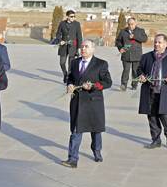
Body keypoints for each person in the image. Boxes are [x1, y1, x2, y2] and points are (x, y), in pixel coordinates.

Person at [61, 40, 112, 168]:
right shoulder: (74, 62)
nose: (83, 49)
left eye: (86, 47)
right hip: (78, 102)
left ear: (93, 49)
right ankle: (72, 159)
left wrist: (94, 86)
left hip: (93, 102)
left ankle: (96, 151)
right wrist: (70, 85)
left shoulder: (101, 64)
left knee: (95, 130)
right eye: (82, 47)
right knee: (76, 131)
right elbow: (70, 77)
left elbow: (107, 82)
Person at [137, 34, 167, 149]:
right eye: (155, 42)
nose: (156, 44)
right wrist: (141, 76)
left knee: (165, 115)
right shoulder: (146, 57)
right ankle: (156, 139)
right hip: (150, 91)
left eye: (159, 42)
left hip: (166, 91)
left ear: (166, 44)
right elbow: (139, 69)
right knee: (152, 116)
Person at [115, 17, 148, 91]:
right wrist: (120, 48)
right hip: (126, 54)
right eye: (129, 24)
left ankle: (134, 84)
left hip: (137, 54)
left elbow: (145, 39)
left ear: (136, 23)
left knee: (135, 71)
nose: (130, 26)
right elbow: (118, 41)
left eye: (132, 24)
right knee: (126, 70)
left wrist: (135, 37)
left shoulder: (140, 31)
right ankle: (123, 85)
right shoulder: (123, 31)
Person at [55, 10, 83, 84]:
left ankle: (69, 78)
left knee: (71, 64)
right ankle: (65, 74)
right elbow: (58, 34)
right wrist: (60, 40)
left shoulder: (77, 24)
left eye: (74, 16)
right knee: (62, 63)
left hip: (73, 46)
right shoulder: (62, 23)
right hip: (63, 46)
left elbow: (79, 36)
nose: (73, 18)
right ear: (67, 17)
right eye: (71, 16)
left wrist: (79, 48)